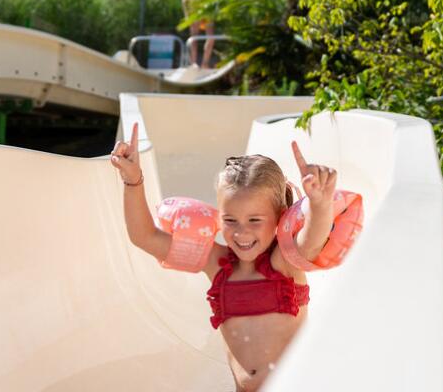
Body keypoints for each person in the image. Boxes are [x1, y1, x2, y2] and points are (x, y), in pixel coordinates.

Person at [110, 123, 338, 392]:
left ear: (279, 216)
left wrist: (321, 204)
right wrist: (133, 181)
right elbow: (144, 237)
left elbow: (311, 241)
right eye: (230, 220)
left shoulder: (285, 262)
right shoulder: (216, 265)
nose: (242, 232)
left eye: (255, 220)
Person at [181, 0, 215, 68]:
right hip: (194, 12)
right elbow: (184, 0)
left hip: (206, 11)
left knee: (211, 38)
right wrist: (187, 15)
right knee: (194, 38)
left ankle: (205, 62)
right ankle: (194, 63)